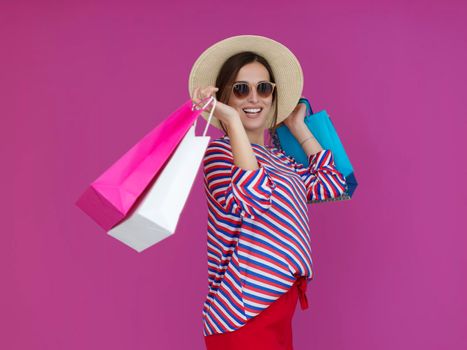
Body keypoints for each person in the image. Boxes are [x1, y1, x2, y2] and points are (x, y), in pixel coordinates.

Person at [188, 35, 348, 350]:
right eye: (240, 89)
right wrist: (231, 121)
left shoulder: (280, 161)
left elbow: (332, 183)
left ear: (273, 96)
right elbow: (254, 198)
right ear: (225, 98)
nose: (253, 98)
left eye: (263, 88)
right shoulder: (221, 153)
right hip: (242, 315)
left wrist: (298, 126)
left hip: (278, 310)